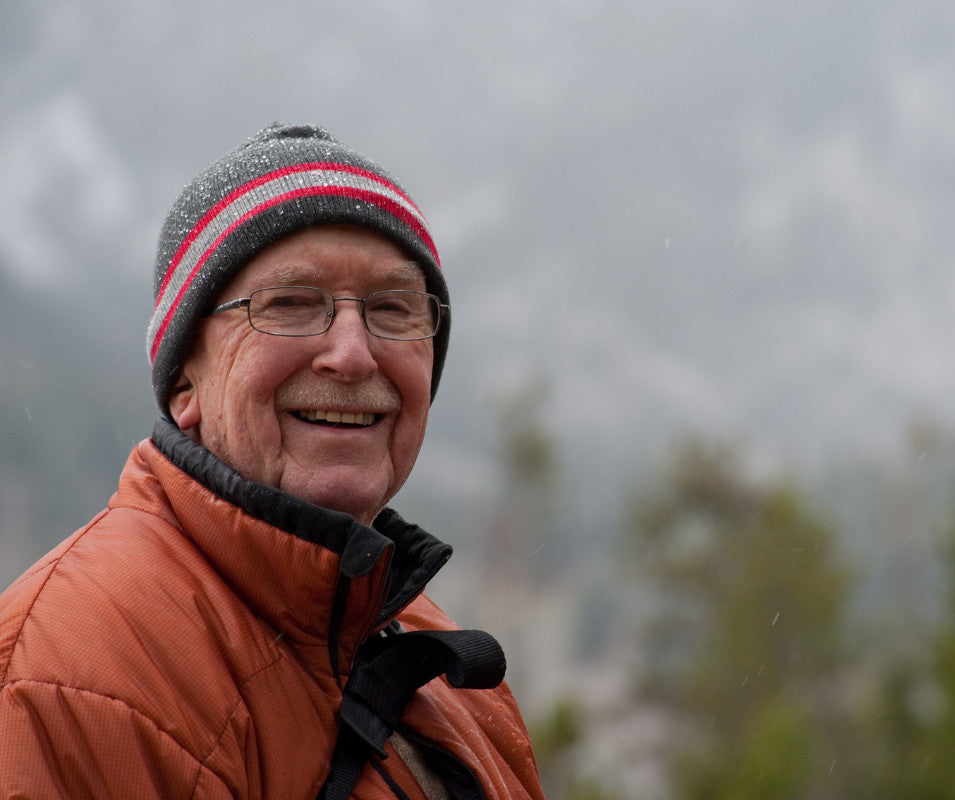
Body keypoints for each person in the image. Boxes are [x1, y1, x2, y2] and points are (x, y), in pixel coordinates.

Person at [0, 123, 546, 800]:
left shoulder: (439, 665)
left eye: (392, 308)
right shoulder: (76, 672)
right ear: (184, 382)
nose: (351, 353)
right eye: (291, 304)